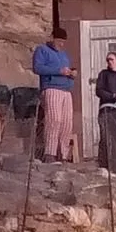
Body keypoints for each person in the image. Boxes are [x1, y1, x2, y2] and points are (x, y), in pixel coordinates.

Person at [31, 27, 77, 161]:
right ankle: (50, 153)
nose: (61, 44)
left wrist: (72, 73)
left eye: (63, 42)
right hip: (51, 88)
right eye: (59, 41)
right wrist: (59, 71)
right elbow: (37, 68)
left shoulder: (64, 55)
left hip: (66, 90)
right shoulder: (42, 50)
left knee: (66, 123)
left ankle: (63, 154)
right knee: (54, 119)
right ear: (52, 38)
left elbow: (66, 70)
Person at [95, 50, 116, 171]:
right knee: (105, 137)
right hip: (106, 109)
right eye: (108, 60)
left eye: (112, 59)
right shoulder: (103, 74)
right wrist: (112, 96)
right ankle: (104, 166)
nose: (109, 62)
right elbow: (99, 91)